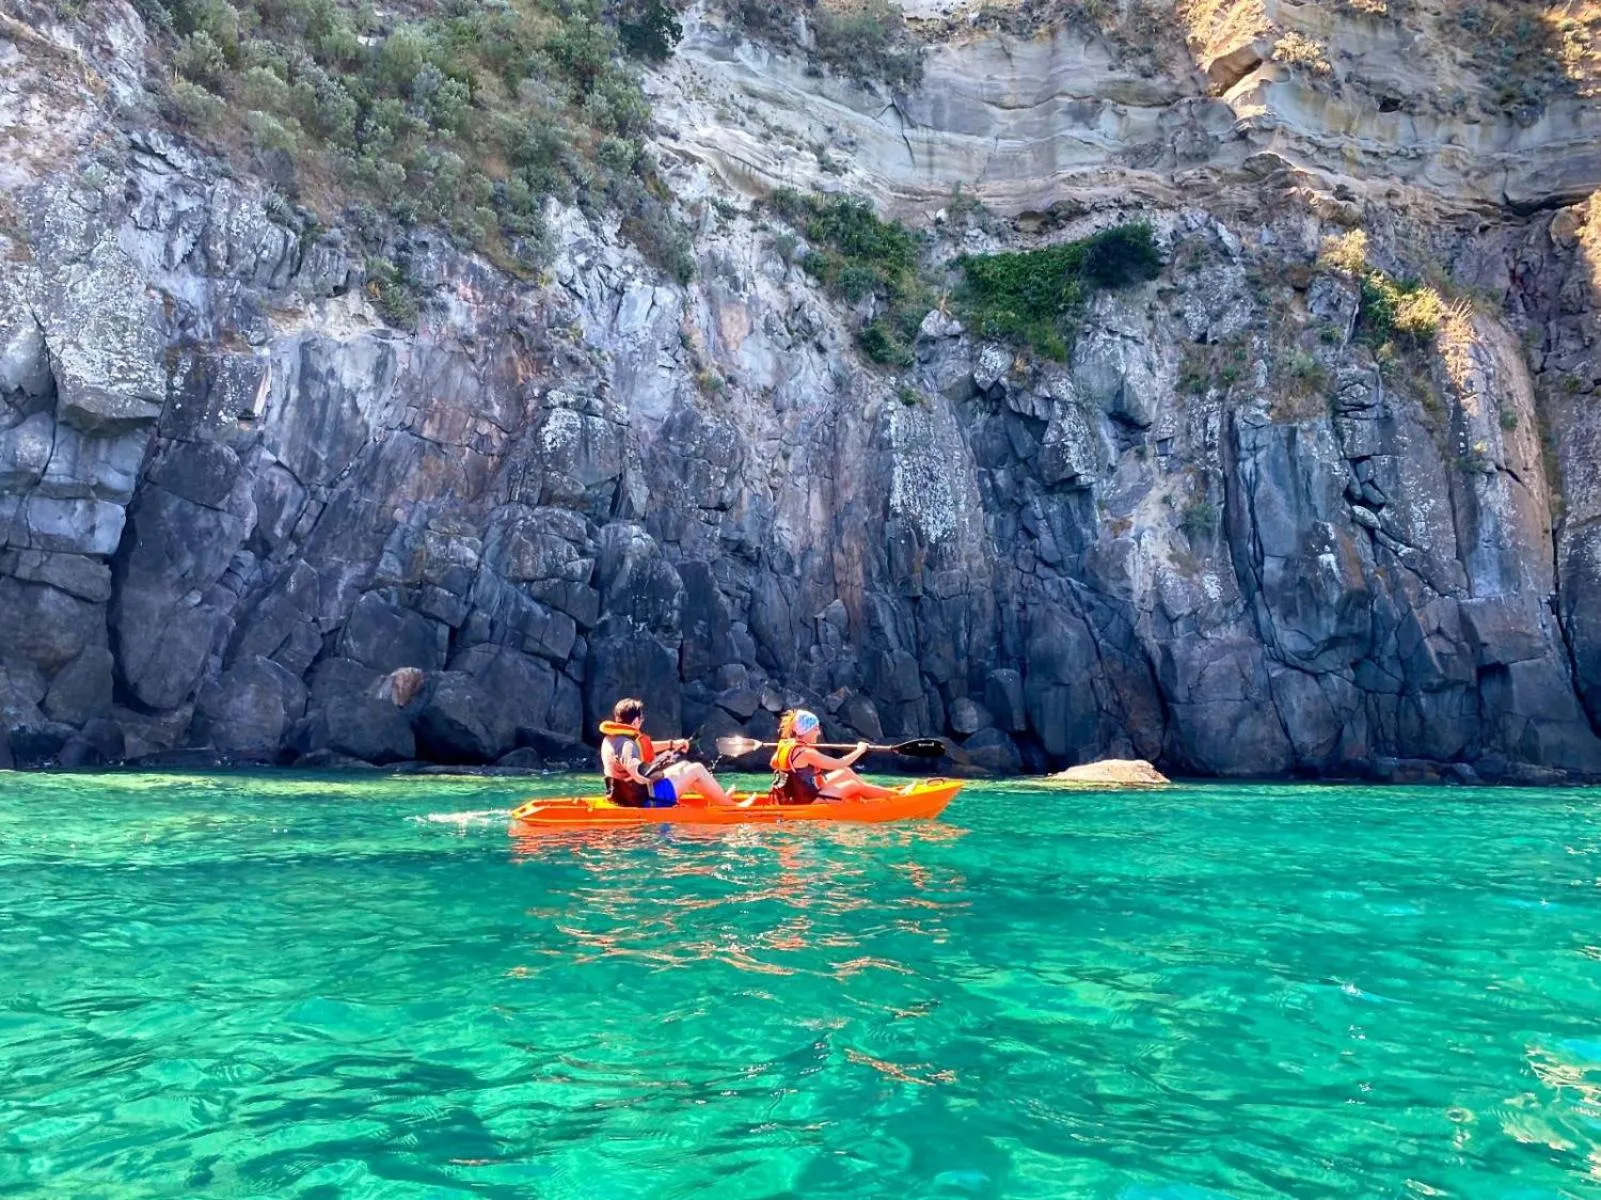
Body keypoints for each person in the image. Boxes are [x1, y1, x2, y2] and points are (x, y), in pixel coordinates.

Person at [598, 697, 733, 807]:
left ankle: (719, 799)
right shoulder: (627, 745)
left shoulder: (612, 739)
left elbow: (643, 749)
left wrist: (671, 745)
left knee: (685, 765)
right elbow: (639, 774)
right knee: (696, 769)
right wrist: (659, 763)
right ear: (636, 721)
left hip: (624, 797)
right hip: (645, 800)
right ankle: (731, 807)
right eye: (641, 720)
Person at [769, 709, 899, 804]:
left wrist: (806, 776)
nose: (819, 732)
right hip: (809, 802)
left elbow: (775, 765)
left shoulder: (784, 747)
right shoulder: (805, 753)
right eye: (815, 729)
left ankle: (879, 794)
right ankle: (898, 797)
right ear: (804, 731)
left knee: (845, 772)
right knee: (853, 785)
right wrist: (860, 750)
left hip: (797, 797)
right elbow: (839, 763)